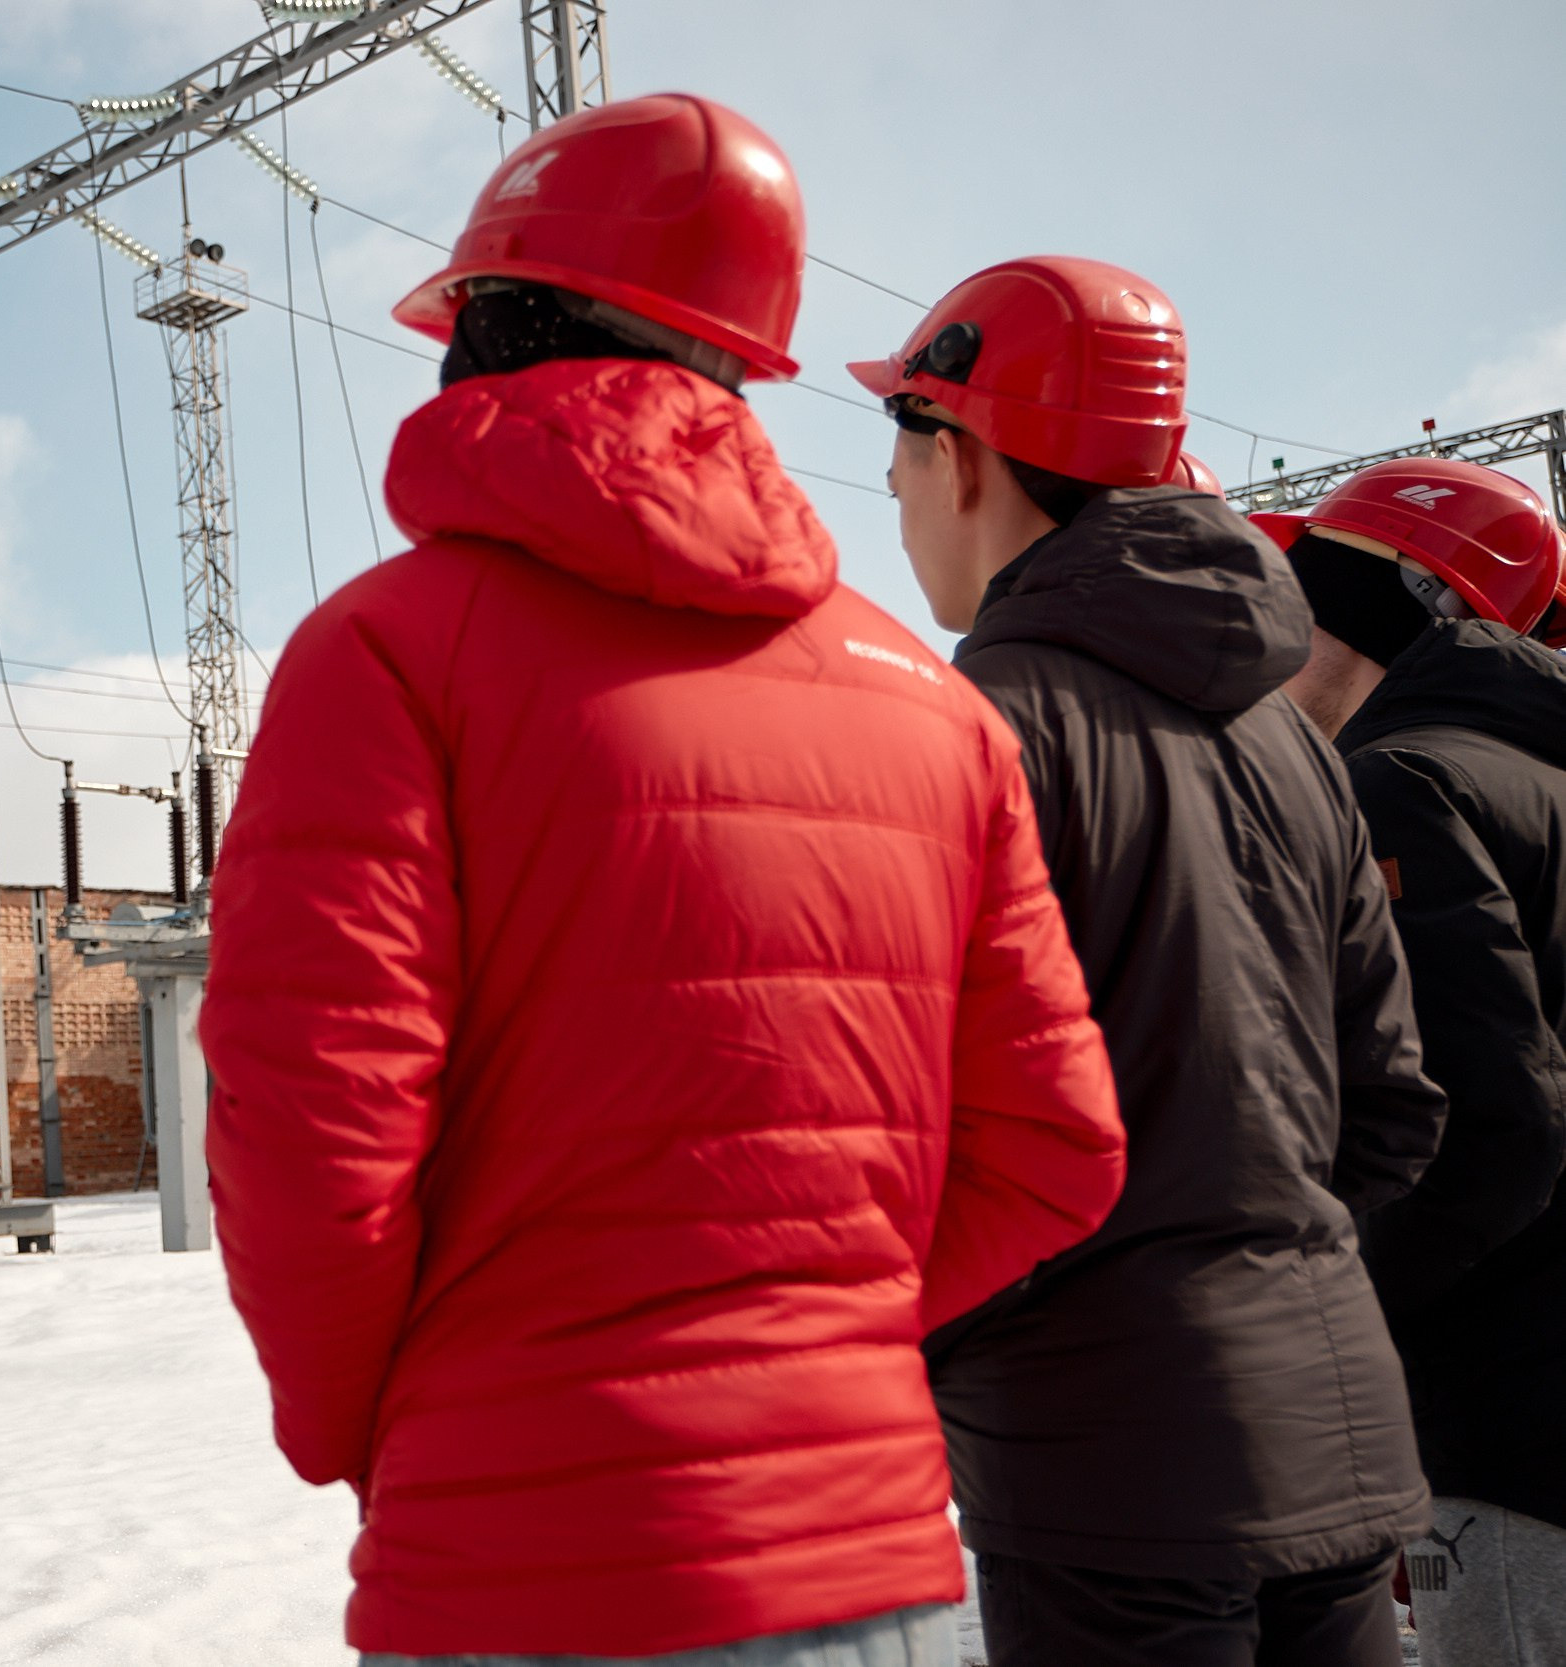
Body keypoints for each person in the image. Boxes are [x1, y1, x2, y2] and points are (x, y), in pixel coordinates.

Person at [201, 96, 1128, 1667]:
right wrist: (820, 1350)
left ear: (483, 332)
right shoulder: (933, 704)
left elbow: (314, 1138)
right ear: (739, 369)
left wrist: (402, 1423)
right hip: (883, 1575)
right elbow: (1057, 1144)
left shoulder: (386, 656)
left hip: (534, 1565)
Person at [855, 257, 1449, 1667]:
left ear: (969, 454)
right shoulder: (1293, 741)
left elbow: (909, 1128)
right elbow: (1397, 1104)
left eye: (898, 461)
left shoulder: (974, 728)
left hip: (1104, 1466)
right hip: (1339, 1434)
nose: (891, 506)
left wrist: (979, 1340)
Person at [1262, 460, 1566, 1666]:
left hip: (1509, 1420)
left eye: (1296, 595)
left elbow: (1490, 1124)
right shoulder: (1537, 781)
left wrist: (1344, 1333)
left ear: (1391, 602)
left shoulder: (1397, 784)